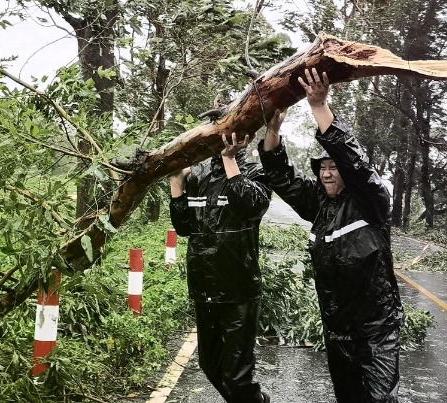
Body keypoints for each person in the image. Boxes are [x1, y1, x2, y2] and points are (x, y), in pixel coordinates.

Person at [258, 68, 404, 403]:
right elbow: (280, 176)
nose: (326, 172)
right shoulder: (319, 204)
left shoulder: (371, 203)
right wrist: (272, 130)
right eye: (322, 167)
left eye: (333, 167)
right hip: (336, 328)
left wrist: (320, 107)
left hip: (375, 330)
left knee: (380, 400)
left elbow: (355, 163)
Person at [168, 132, 272, 403]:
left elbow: (250, 205)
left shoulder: (255, 172)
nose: (226, 140)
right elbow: (184, 227)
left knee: (237, 377)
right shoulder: (198, 174)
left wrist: (229, 159)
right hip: (205, 289)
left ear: (246, 138)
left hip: (240, 291)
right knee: (210, 366)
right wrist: (177, 182)